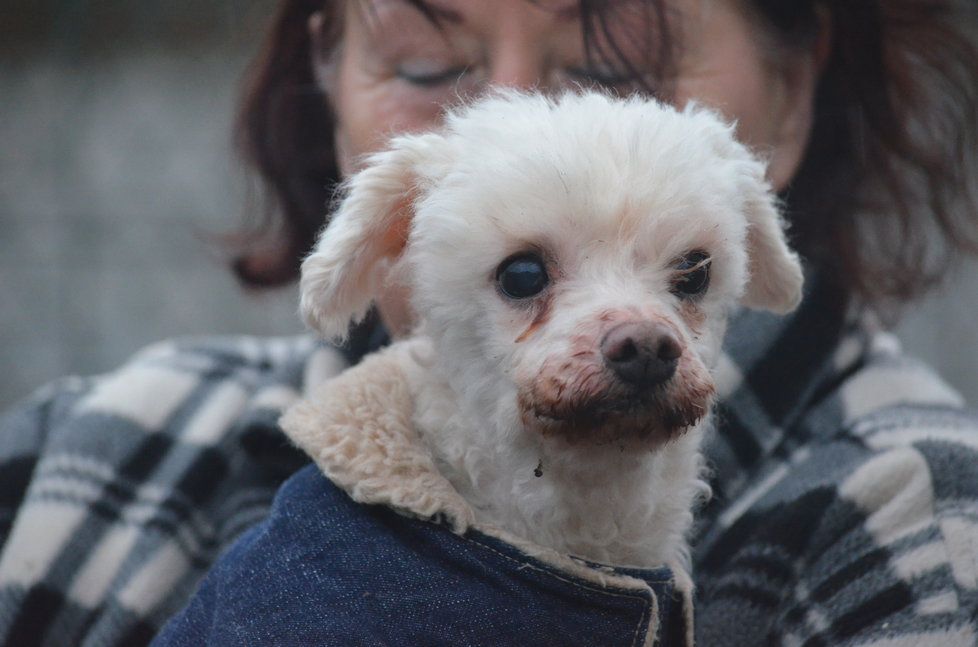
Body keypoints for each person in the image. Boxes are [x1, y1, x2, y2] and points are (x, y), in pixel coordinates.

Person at [1, 0, 976, 645]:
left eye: (611, 64)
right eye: (429, 66)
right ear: (331, 81)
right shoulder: (81, 457)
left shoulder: (915, 522)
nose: (518, 111)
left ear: (792, 95)